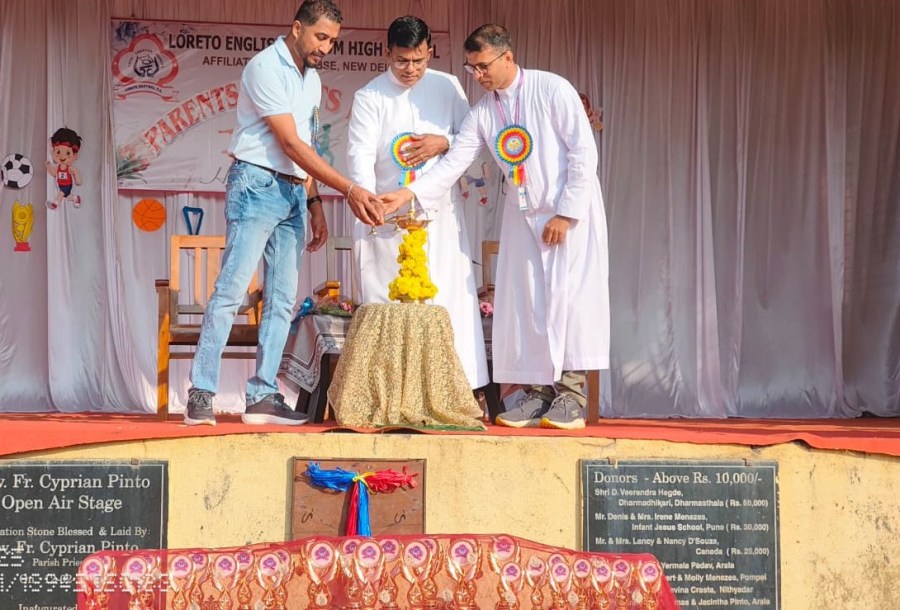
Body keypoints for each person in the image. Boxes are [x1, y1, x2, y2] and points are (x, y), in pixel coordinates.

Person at [381, 24, 609, 429]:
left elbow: (582, 151)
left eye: (483, 66)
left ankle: (571, 396)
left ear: (507, 57)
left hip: (567, 215)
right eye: (471, 69)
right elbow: (455, 162)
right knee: (525, 303)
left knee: (566, 299)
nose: (479, 76)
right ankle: (538, 394)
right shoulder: (485, 111)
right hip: (523, 216)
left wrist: (567, 213)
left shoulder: (552, 89)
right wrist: (408, 196)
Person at [185, 0, 383, 427]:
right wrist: (348, 188)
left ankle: (262, 395)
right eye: (320, 37)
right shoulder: (265, 67)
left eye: (332, 40)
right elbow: (290, 144)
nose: (326, 47)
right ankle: (201, 392)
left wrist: (315, 205)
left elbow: (306, 151)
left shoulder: (311, 79)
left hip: (294, 193)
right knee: (231, 292)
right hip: (256, 184)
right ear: (297, 28)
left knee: (280, 301)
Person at [346, 16, 488, 390]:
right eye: (402, 61)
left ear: (430, 52)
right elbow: (359, 154)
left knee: (447, 297)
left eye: (419, 61)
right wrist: (367, 200)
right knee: (389, 304)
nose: (410, 69)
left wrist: (441, 142)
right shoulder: (370, 96)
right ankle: (389, 393)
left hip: (439, 218)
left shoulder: (449, 85)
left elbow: (470, 141)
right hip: (388, 219)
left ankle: (454, 390)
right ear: (387, 52)